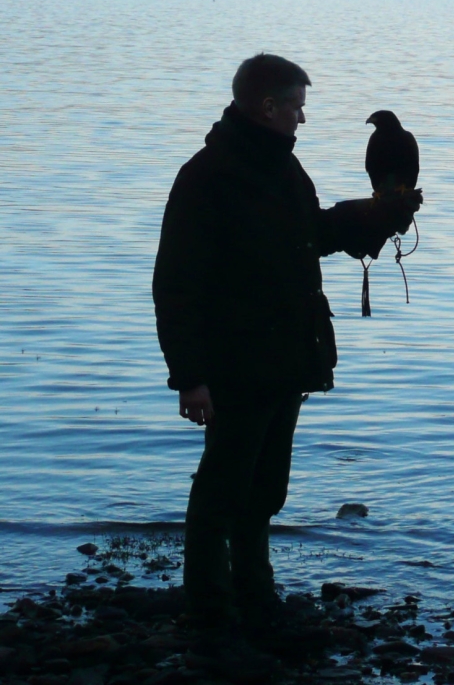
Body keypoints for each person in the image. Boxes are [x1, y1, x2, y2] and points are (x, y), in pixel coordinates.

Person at [153, 54, 421, 631]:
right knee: (221, 493)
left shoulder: (284, 170)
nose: (303, 118)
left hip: (285, 362)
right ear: (268, 106)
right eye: (297, 106)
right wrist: (191, 377)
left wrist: (378, 216)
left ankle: (257, 599)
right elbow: (175, 284)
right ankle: (210, 617)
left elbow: (314, 235)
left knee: (265, 490)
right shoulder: (206, 177)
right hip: (235, 365)